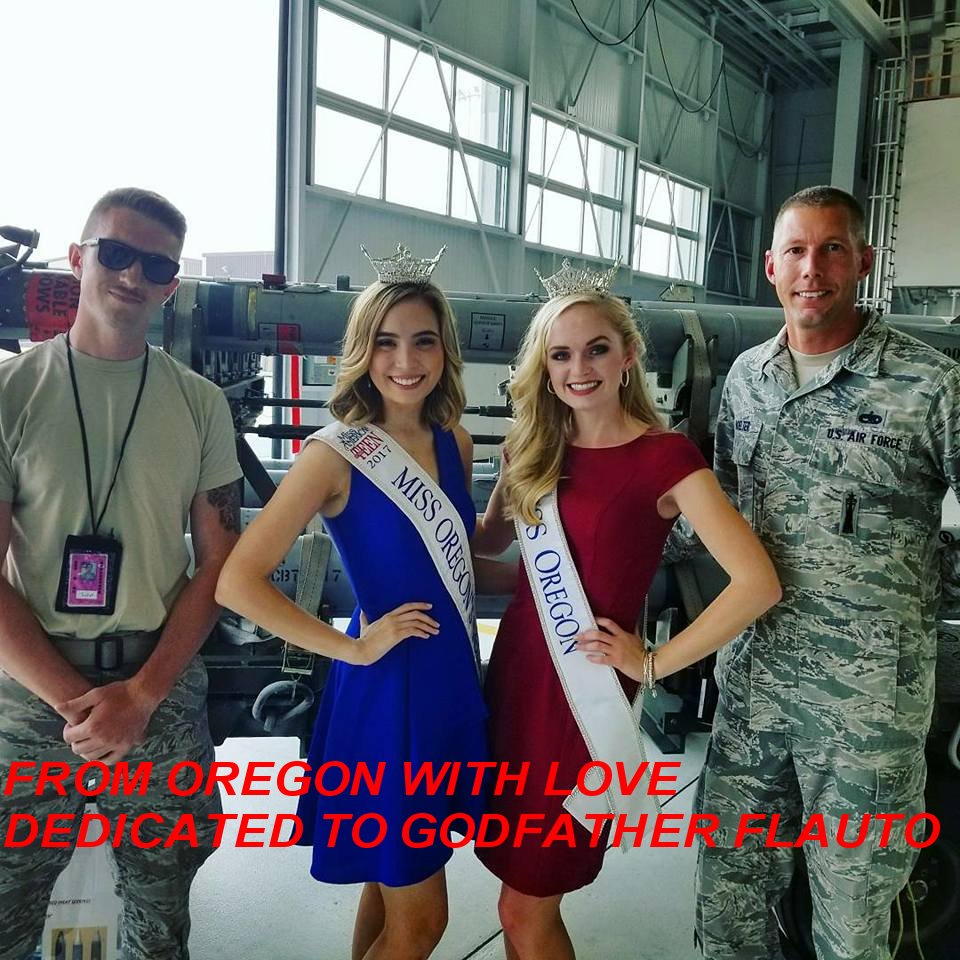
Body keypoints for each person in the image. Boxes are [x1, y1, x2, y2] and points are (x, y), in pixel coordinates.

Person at [471, 262, 781, 960]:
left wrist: (654, 662)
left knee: (525, 905)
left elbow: (757, 583)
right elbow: (486, 547)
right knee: (514, 888)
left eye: (596, 349)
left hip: (585, 700)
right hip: (518, 680)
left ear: (628, 355)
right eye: (560, 355)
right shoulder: (530, 448)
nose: (578, 369)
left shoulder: (664, 459)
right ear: (544, 367)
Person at [693, 185, 960, 960]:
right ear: (771, 266)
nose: (813, 269)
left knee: (851, 920)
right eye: (797, 251)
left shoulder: (929, 384)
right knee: (730, 898)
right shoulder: (747, 378)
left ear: (863, 261)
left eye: (832, 249)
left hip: (866, 713)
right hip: (753, 691)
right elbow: (722, 514)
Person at [216, 245, 493, 960]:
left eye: (423, 341)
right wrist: (353, 646)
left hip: (446, 682)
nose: (406, 360)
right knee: (423, 921)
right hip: (385, 694)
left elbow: (459, 563)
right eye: (386, 342)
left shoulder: (454, 442)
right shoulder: (334, 454)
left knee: (388, 881)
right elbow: (238, 581)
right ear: (362, 352)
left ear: (445, 350)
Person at [0, 187, 243, 960]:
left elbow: (219, 564)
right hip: (29, 701)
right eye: (116, 253)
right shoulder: (11, 392)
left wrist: (139, 698)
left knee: (160, 920)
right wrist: (81, 707)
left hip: (157, 692)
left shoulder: (199, 405)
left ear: (172, 285)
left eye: (157, 265)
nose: (134, 275)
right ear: (78, 258)